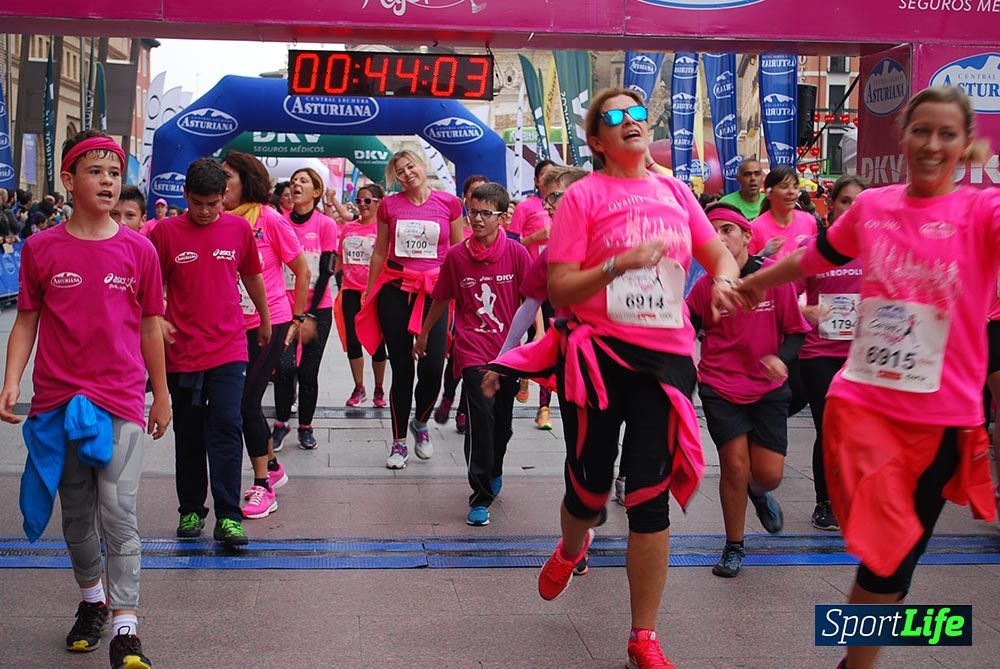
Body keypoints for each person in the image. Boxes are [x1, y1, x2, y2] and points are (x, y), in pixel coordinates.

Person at [735, 86, 998, 669]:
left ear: (964, 143)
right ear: (901, 136)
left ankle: (856, 661)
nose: (932, 145)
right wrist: (757, 281)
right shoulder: (875, 206)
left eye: (947, 134)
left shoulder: (982, 211)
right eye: (921, 131)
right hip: (869, 412)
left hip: (943, 422)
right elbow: (816, 257)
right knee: (883, 552)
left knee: (893, 563)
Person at [487, 88, 741, 668]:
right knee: (590, 487)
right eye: (614, 117)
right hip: (597, 357)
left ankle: (643, 637)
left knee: (648, 495)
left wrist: (724, 278)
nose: (630, 122)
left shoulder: (675, 190)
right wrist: (617, 265)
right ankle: (572, 547)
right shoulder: (582, 197)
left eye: (636, 114)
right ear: (597, 140)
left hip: (665, 359)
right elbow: (559, 289)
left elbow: (716, 252)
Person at [0, 130, 169, 669]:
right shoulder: (41, 248)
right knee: (74, 514)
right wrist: (11, 380)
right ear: (69, 181)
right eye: (96, 172)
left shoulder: (139, 249)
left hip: (119, 399)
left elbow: (150, 328)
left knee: (118, 512)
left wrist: (160, 395)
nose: (107, 181)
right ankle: (92, 600)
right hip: (57, 401)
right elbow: (26, 320)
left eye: (115, 174)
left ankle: (125, 624)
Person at [148, 158, 270, 549]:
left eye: (213, 203)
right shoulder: (165, 233)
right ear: (185, 196)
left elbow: (252, 273)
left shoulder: (238, 228)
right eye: (198, 203)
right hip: (180, 351)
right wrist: (157, 319)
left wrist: (265, 318)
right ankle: (190, 508)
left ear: (224, 199)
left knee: (226, 427)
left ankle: (229, 517)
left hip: (229, 346)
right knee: (188, 432)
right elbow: (150, 287)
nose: (205, 211)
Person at [686, 203, 810, 577]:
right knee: (735, 466)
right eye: (713, 231)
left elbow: (796, 331)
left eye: (728, 229)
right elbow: (685, 328)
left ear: (747, 237)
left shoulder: (773, 277)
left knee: (768, 474)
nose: (721, 237)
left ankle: (759, 493)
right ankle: (734, 546)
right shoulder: (705, 287)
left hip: (767, 386)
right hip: (720, 385)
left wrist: (782, 360)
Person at [414, 182, 530, 526]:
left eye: (485, 213)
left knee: (502, 425)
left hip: (508, 352)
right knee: (480, 420)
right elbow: (442, 297)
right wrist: (423, 334)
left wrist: (536, 338)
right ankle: (479, 494)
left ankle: (494, 468)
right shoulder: (456, 256)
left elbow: (530, 300)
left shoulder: (517, 253)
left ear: (502, 216)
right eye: (472, 212)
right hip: (472, 350)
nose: (476, 219)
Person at [357, 150, 464, 469]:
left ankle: (421, 421)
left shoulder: (449, 203)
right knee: (402, 368)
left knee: (432, 369)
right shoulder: (389, 206)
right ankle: (399, 442)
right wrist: (368, 292)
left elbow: (458, 252)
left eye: (410, 166)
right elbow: (379, 252)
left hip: (436, 292)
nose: (406, 174)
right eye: (399, 172)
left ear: (423, 165)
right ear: (395, 179)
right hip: (396, 290)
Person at [221, 151, 310, 519]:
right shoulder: (219, 220)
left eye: (227, 176)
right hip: (228, 328)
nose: (221, 182)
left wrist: (297, 319)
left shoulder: (269, 220)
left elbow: (302, 271)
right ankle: (273, 466)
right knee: (240, 405)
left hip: (268, 326)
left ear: (247, 180)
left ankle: (263, 486)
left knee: (246, 404)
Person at [798, 174, 867, 531]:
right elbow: (784, 293)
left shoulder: (878, 247)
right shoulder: (815, 247)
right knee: (830, 428)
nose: (851, 208)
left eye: (858, 203)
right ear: (831, 205)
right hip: (819, 353)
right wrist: (803, 311)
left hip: (866, 356)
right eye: (845, 201)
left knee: (859, 431)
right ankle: (825, 502)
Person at [271, 168, 339, 450]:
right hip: (283, 308)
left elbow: (326, 272)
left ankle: (306, 427)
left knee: (308, 372)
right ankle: (281, 423)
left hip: (317, 309)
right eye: (294, 181)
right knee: (284, 368)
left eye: (304, 181)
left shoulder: (326, 225)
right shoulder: (278, 221)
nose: (296, 185)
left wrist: (309, 314)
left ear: (316, 192)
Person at [434, 174, 488, 433]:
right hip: (458, 300)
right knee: (456, 354)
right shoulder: (457, 225)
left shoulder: (491, 225)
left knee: (475, 360)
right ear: (465, 198)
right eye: (474, 192)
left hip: (484, 302)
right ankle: (448, 394)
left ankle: (464, 412)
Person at [335, 183, 388, 408]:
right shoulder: (348, 228)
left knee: (377, 344)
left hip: (375, 294)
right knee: (353, 341)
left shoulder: (383, 229)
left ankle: (378, 388)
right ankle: (359, 387)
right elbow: (339, 258)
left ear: (379, 203)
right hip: (350, 291)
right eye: (359, 201)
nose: (363, 205)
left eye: (368, 201)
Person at [748, 165, 818, 261]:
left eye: (795, 187)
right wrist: (763, 254)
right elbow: (747, 267)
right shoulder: (755, 228)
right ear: (769, 193)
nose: (791, 192)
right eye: (784, 187)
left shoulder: (809, 221)